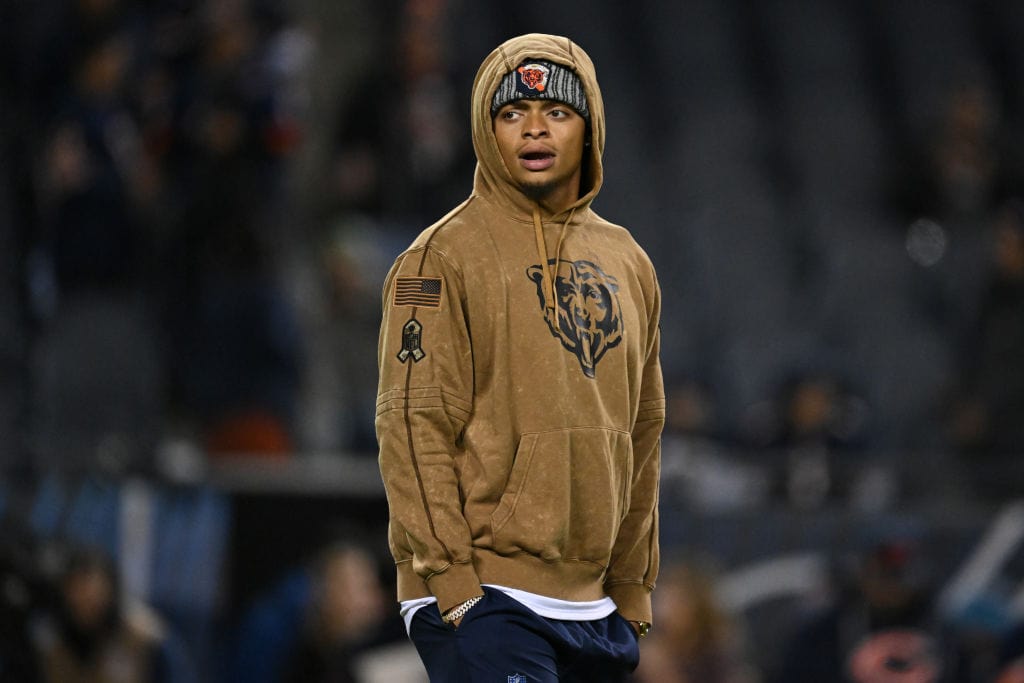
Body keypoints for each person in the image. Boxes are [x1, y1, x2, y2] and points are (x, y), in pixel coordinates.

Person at [375, 33, 664, 681]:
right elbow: (411, 424)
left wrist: (632, 581)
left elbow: (642, 430)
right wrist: (451, 577)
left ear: (589, 127)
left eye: (557, 113)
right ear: (486, 129)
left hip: (591, 601)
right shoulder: (436, 259)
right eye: (512, 114)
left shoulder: (630, 262)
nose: (534, 130)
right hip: (482, 588)